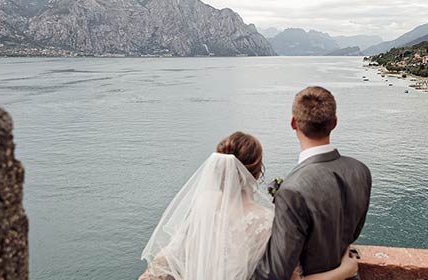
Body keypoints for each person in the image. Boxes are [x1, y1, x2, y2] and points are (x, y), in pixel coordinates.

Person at [140, 131, 358, 280]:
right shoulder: (269, 221)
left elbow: (162, 265)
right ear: (256, 172)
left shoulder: (201, 207)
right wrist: (344, 271)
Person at [252, 86, 372, 280]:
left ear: (293, 123)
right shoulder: (360, 170)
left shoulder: (292, 190)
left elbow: (275, 273)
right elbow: (351, 232)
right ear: (334, 123)